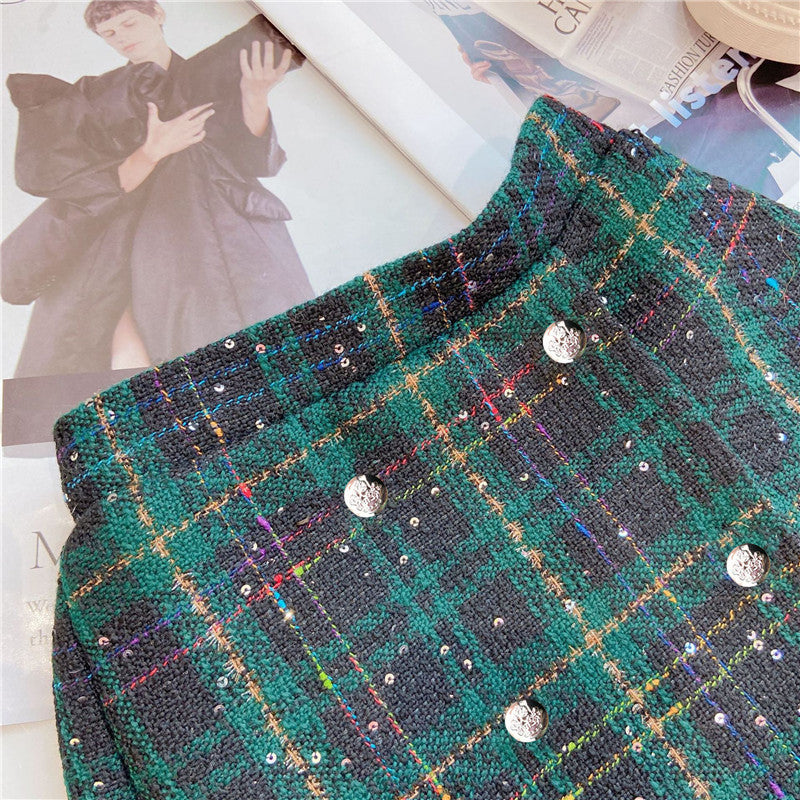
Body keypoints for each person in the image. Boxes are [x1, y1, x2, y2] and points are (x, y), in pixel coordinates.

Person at [1, 1, 315, 378]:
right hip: (125, 238)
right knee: (123, 361)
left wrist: (254, 95)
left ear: (158, 14)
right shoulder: (98, 97)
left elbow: (256, 163)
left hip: (216, 228)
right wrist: (151, 152)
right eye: (109, 33)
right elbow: (76, 182)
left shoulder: (217, 74)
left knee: (258, 351)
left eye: (129, 23)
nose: (121, 37)